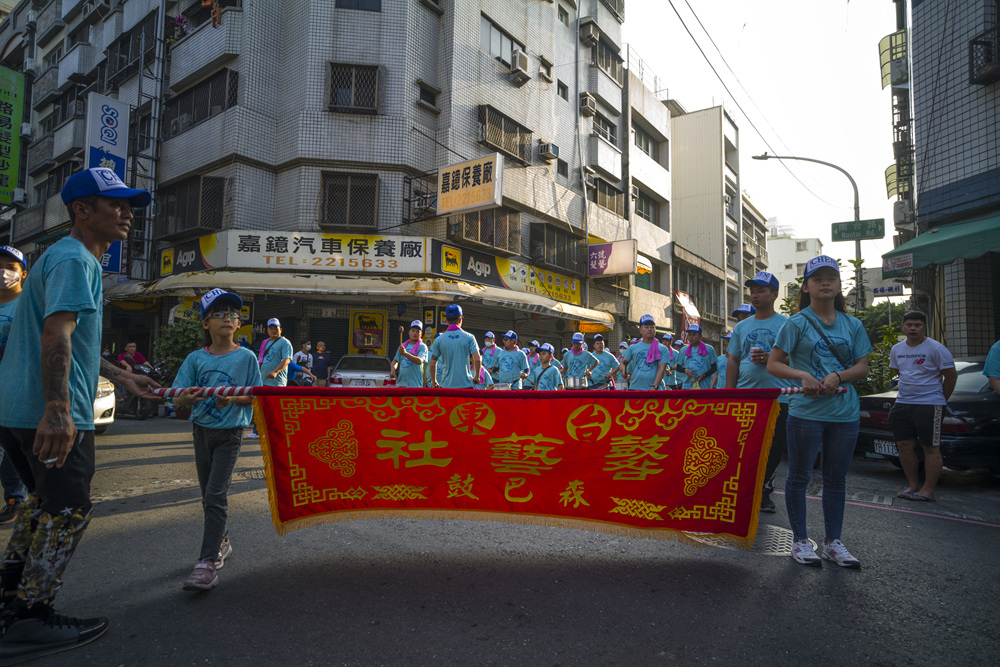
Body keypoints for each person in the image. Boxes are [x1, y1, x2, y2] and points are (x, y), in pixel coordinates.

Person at [0, 168, 160, 661]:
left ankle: (10, 601)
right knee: (67, 510)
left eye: (129, 204)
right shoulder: (75, 259)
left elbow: (75, 337)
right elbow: (57, 337)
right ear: (81, 210)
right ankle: (31, 619)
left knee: (41, 506)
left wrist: (123, 375)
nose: (127, 214)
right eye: (115, 204)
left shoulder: (63, 259)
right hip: (42, 411)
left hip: (16, 409)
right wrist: (58, 409)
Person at [768, 255, 871, 569]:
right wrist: (803, 375)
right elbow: (774, 362)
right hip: (805, 412)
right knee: (799, 477)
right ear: (806, 286)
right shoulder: (797, 322)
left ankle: (833, 543)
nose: (825, 283)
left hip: (845, 413)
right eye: (818, 278)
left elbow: (863, 367)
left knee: (836, 480)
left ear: (839, 285)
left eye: (831, 278)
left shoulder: (852, 325)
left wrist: (838, 376)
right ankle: (800, 541)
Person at [170, 289, 263, 591]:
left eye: (233, 314)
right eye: (219, 314)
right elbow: (178, 397)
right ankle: (221, 541)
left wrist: (233, 401)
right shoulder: (196, 358)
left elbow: (257, 397)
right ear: (205, 323)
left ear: (239, 324)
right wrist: (185, 399)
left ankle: (207, 563)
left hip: (230, 435)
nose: (228, 318)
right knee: (206, 494)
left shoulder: (246, 357)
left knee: (215, 494)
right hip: (201, 431)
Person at [726, 270, 794, 514]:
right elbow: (733, 359)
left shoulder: (787, 324)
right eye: (752, 291)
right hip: (745, 396)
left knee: (773, 448)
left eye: (761, 291)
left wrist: (770, 358)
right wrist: (729, 393)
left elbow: (796, 358)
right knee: (742, 446)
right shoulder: (742, 326)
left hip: (779, 397)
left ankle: (764, 492)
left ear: (774, 294)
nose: (755, 295)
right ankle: (741, 491)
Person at [889, 311, 957, 502]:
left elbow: (950, 376)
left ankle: (928, 490)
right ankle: (913, 486)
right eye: (909, 324)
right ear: (903, 326)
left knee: (930, 447)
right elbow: (899, 371)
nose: (913, 328)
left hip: (930, 404)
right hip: (903, 402)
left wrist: (940, 400)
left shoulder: (936, 348)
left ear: (923, 327)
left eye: (917, 325)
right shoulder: (897, 349)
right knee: (903, 445)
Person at [0, 247, 30, 525]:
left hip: (14, 391)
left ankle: (14, 500)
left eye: (10, 266)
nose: (4, 272)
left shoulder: (27, 305)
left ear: (23, 273)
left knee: (10, 449)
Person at [428, 305, 480, 389]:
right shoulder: (469, 337)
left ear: (446, 321)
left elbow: (432, 364)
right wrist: (476, 377)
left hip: (446, 386)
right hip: (465, 385)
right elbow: (477, 359)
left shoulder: (439, 339)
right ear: (460, 319)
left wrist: (434, 382)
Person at [618, 315, 671, 391]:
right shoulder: (633, 347)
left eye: (652, 327)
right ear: (640, 330)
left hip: (654, 390)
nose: (650, 329)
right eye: (646, 327)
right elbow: (622, 363)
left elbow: (661, 369)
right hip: (634, 388)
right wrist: (624, 371)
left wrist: (654, 386)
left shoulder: (663, 349)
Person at [391, 320, 429, 388]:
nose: (415, 333)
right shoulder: (403, 346)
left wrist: (405, 354)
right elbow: (395, 361)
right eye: (413, 330)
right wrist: (393, 369)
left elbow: (420, 361)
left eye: (418, 331)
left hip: (415, 386)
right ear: (409, 332)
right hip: (401, 384)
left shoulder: (422, 346)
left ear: (421, 334)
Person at [678, 324, 717, 389]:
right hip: (687, 387)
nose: (691, 337)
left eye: (694, 334)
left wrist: (704, 375)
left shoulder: (709, 349)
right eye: (689, 334)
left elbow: (714, 367)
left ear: (700, 336)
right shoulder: (683, 350)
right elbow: (678, 367)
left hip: (704, 387)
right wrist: (685, 370)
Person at [259, 318, 293, 387]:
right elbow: (260, 359)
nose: (273, 330)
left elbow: (287, 360)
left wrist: (275, 372)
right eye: (271, 328)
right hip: (263, 381)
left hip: (277, 383)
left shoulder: (285, 342)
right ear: (267, 330)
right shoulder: (265, 342)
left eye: (276, 328)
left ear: (280, 329)